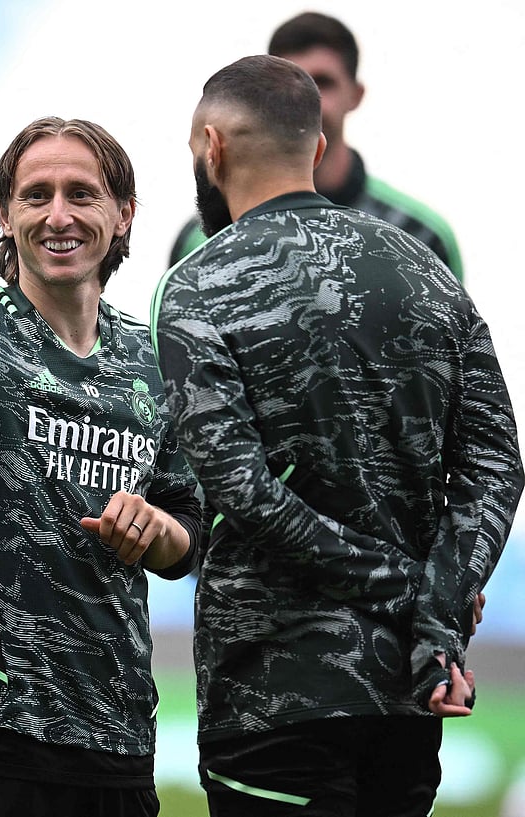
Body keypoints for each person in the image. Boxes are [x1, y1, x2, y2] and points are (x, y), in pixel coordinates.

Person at [153, 54, 523, 816]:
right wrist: (437, 609)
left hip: (271, 695)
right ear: (317, 149)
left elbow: (241, 491)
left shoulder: (196, 283)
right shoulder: (427, 268)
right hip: (409, 695)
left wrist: (406, 589)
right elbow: (495, 460)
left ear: (211, 148)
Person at [0, 117, 203, 817]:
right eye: (36, 195)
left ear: (123, 216)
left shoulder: (153, 357)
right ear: (6, 216)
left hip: (121, 731)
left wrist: (155, 529)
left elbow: (188, 532)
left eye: (81, 194)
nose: (58, 215)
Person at [167, 11, 463, 281]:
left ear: (356, 95)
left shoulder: (420, 233)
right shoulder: (201, 239)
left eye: (323, 82)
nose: (307, 99)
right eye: (291, 82)